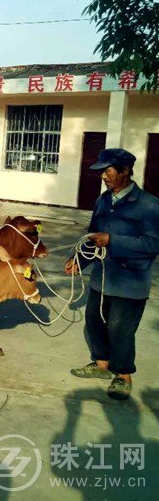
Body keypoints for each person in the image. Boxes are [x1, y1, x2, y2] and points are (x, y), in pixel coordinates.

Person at [65, 148, 159, 400]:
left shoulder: (149, 205)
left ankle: (123, 375)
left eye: (108, 171)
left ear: (125, 171)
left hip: (130, 282)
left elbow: (153, 245)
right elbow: (93, 234)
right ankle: (102, 364)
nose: (104, 177)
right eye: (102, 172)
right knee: (94, 321)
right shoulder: (104, 200)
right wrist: (79, 260)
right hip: (102, 277)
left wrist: (114, 241)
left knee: (120, 329)